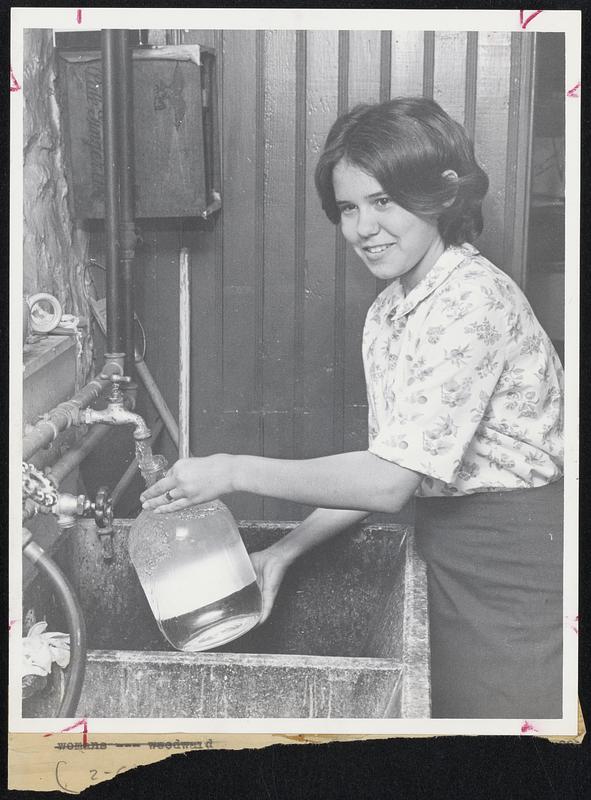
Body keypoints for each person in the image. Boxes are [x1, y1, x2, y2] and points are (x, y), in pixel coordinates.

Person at [140, 97, 564, 719]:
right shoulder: (391, 311)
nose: (364, 228)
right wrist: (284, 552)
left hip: (517, 567)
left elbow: (390, 483)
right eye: (348, 208)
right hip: (444, 549)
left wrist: (231, 470)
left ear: (443, 195)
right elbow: (382, 467)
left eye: (384, 201)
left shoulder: (474, 299)